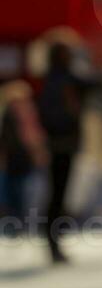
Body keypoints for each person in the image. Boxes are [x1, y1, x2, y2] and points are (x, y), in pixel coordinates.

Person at [34, 42, 92, 264]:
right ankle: (53, 242)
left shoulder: (58, 79)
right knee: (57, 196)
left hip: (62, 144)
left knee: (59, 195)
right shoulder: (60, 80)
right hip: (60, 145)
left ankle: (55, 241)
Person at [0, 81, 47, 235]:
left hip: (24, 160)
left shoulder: (27, 113)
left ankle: (22, 225)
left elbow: (35, 137)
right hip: (16, 160)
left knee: (24, 195)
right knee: (16, 194)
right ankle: (17, 225)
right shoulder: (10, 114)